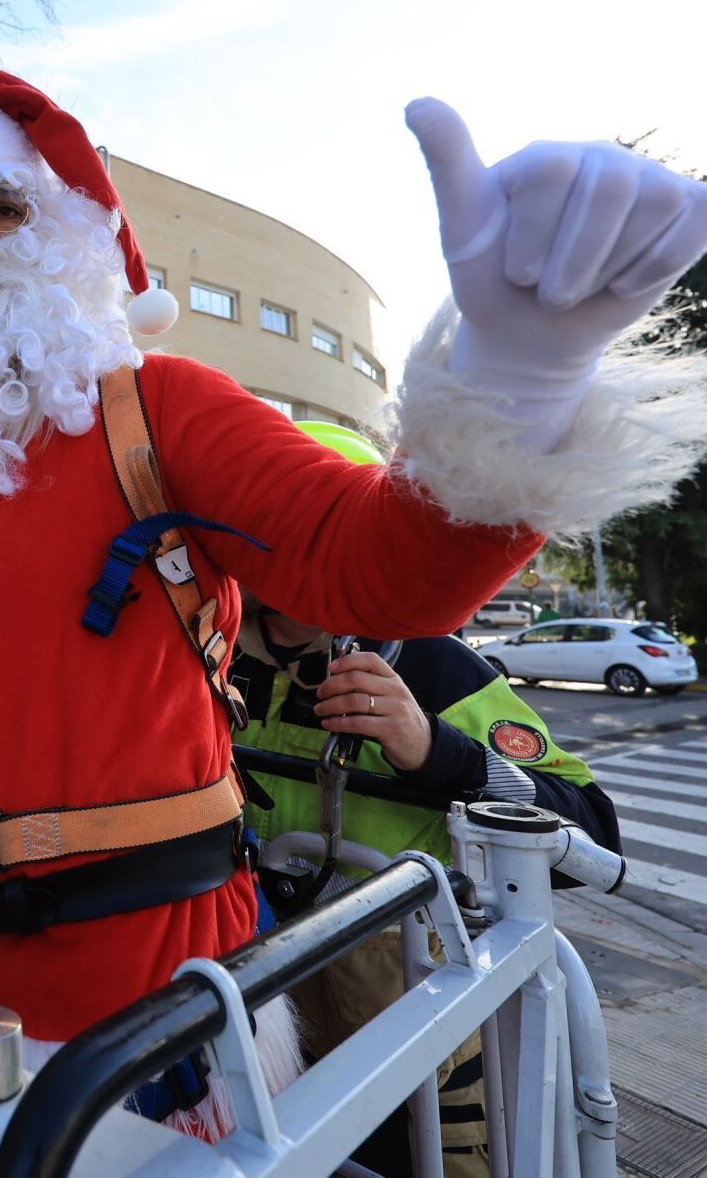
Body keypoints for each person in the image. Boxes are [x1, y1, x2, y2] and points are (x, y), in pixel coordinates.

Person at [0, 57, 707, 1134]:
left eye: (5, 207)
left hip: (136, 1011)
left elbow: (380, 566)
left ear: (67, 237)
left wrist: (515, 381)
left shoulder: (158, 408)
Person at [234, 421, 621, 1175]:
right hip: (265, 1000)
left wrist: (434, 750)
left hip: (418, 1019)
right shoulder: (214, 660)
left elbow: (592, 835)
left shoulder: (438, 666)